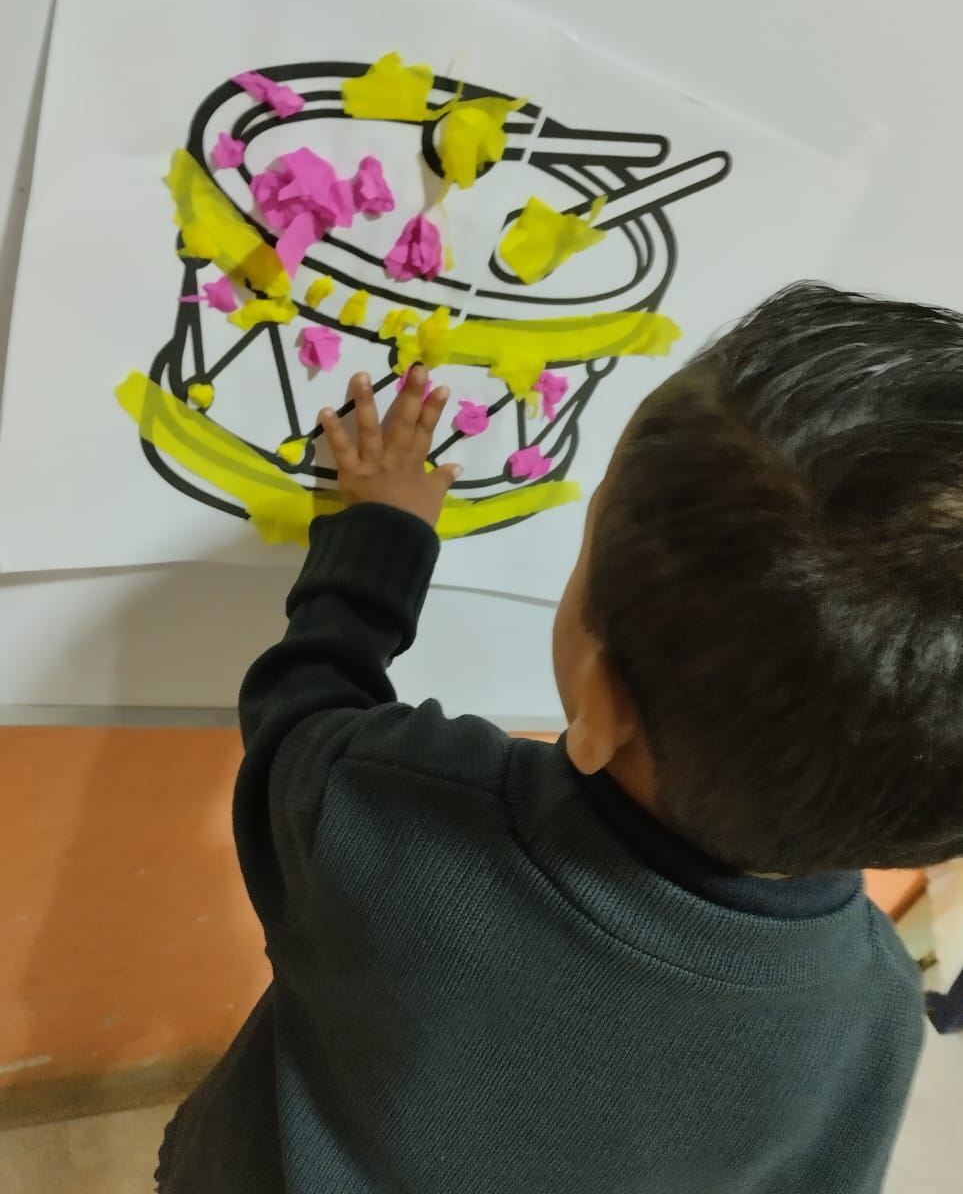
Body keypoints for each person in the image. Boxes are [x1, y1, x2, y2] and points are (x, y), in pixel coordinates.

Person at [156, 282, 963, 1193]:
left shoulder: (404, 806)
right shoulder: (878, 1018)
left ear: (601, 700)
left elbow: (297, 712)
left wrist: (377, 537)